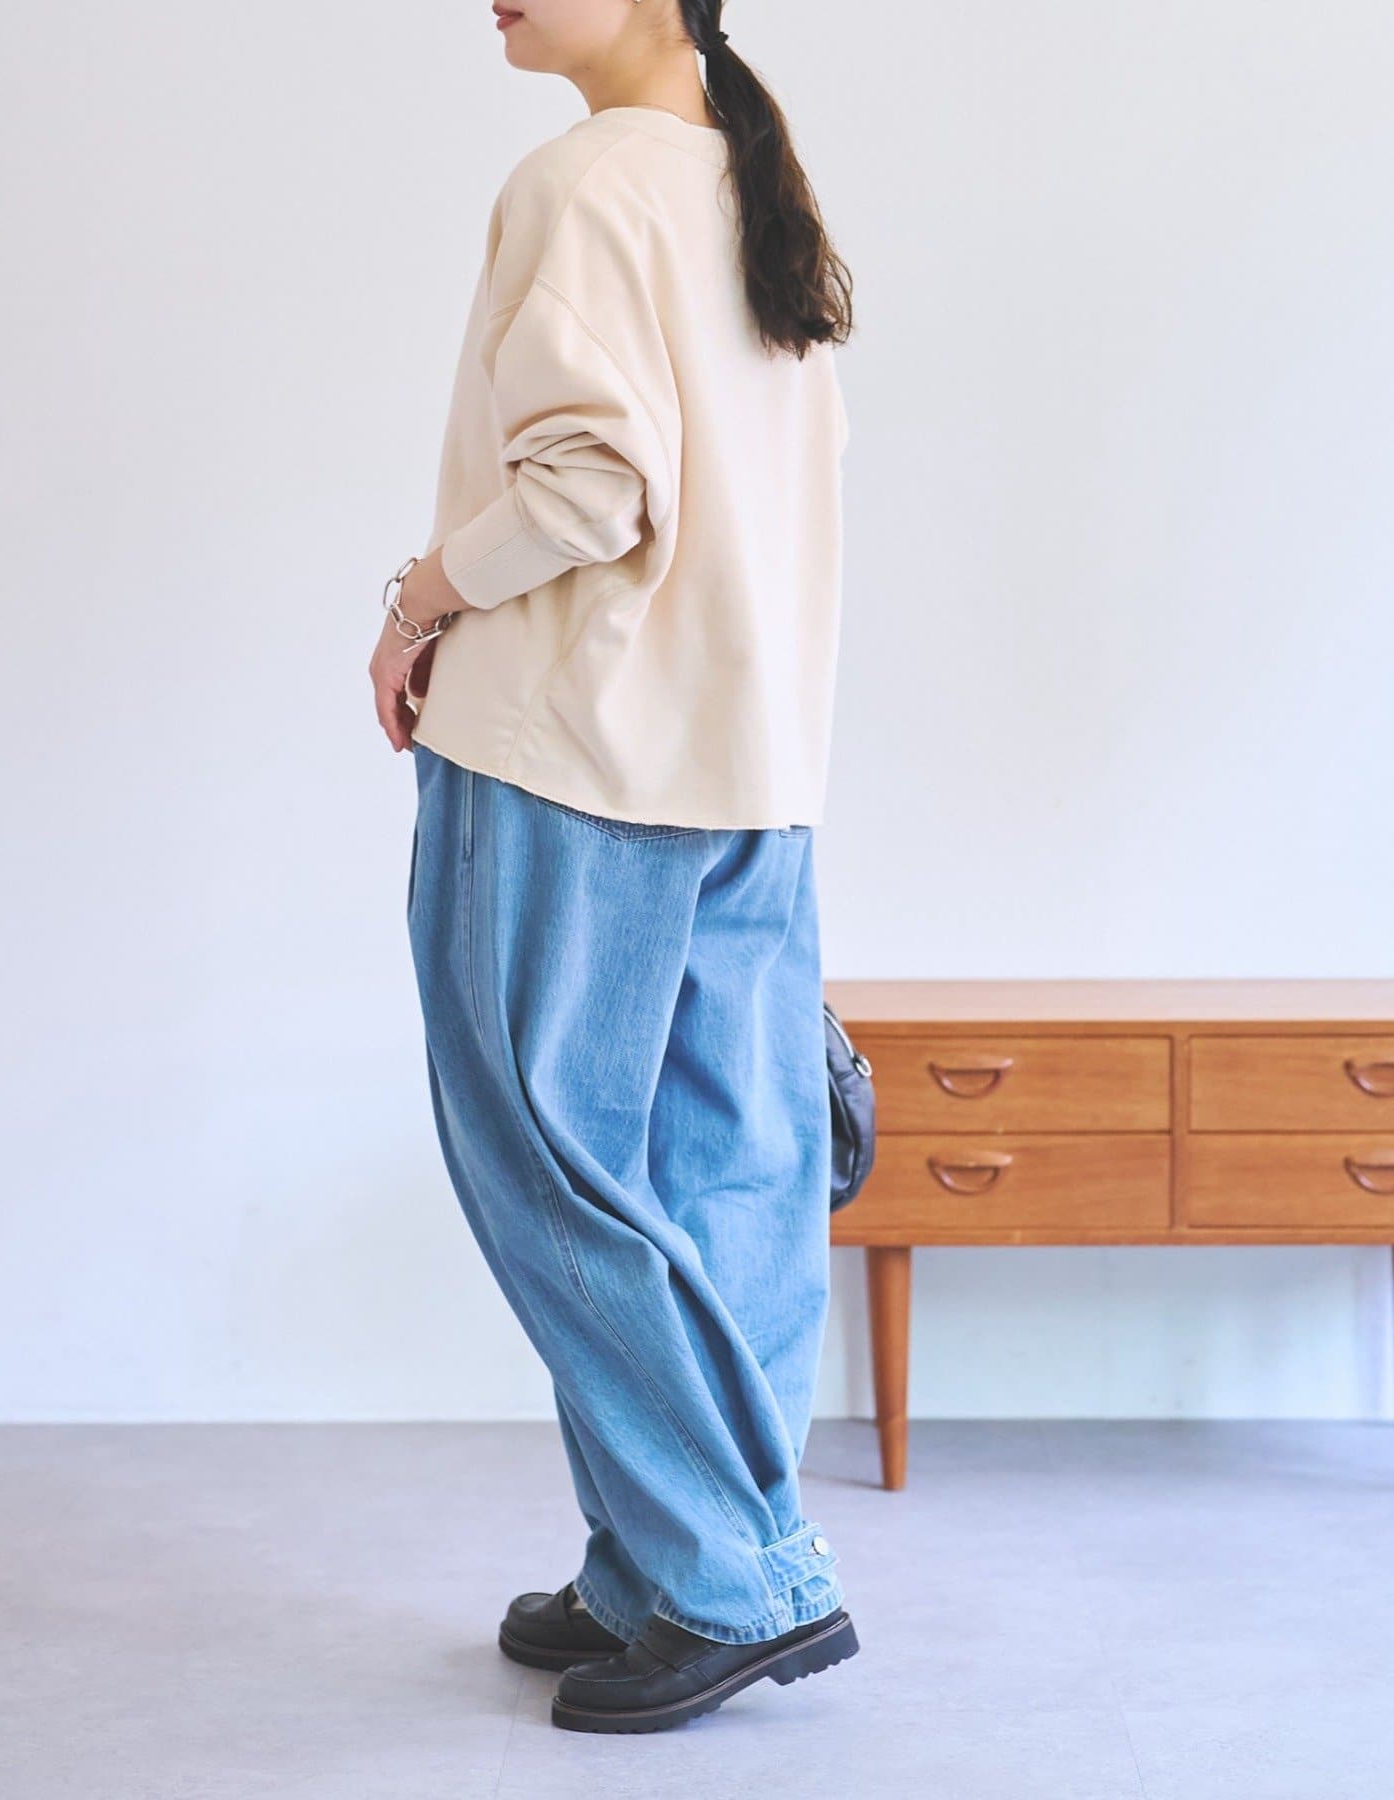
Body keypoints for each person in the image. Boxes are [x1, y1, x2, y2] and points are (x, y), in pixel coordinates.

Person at [368, 0, 855, 1735]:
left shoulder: (582, 181)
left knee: (550, 1162)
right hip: (747, 761)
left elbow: (590, 488)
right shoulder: (750, 179)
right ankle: (659, 1565)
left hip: (573, 750)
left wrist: (416, 603)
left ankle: (732, 1576)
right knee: (732, 1177)